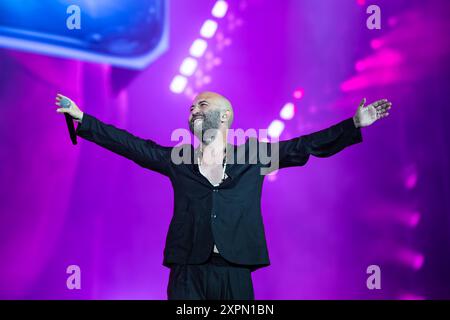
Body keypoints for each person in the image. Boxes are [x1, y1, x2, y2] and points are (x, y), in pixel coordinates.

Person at [55, 92, 391, 300]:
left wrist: (352, 125)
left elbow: (303, 147)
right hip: (188, 271)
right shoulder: (178, 160)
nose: (193, 110)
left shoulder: (253, 157)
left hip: (235, 271)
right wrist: (83, 120)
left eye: (202, 104)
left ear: (225, 116)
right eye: (190, 108)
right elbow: (132, 146)